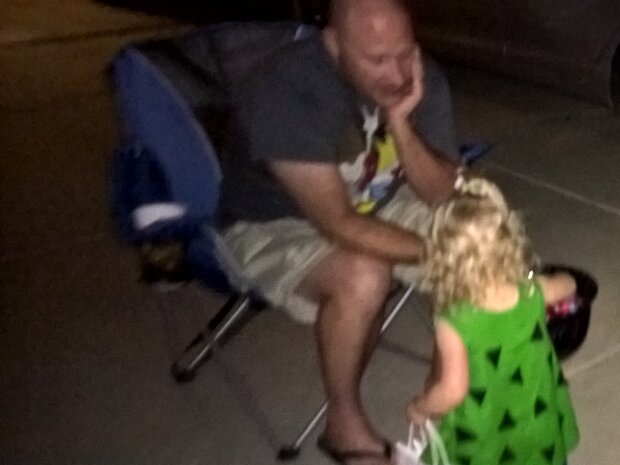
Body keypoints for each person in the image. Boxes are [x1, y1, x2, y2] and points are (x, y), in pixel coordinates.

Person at [219, 0, 460, 461]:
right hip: (277, 221)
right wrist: (438, 253)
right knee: (365, 274)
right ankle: (343, 424)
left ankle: (444, 408)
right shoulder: (282, 89)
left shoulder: (422, 76)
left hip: (377, 198)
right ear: (333, 43)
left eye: (404, 53)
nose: (398, 73)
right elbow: (339, 224)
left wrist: (401, 124)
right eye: (377, 59)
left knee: (480, 233)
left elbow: (445, 194)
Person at [406, 176, 579, 465]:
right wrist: (551, 278)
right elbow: (569, 284)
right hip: (535, 409)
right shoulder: (531, 292)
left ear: (442, 262)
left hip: (484, 426)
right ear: (511, 246)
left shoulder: (453, 322)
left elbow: (452, 390)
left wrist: (421, 407)